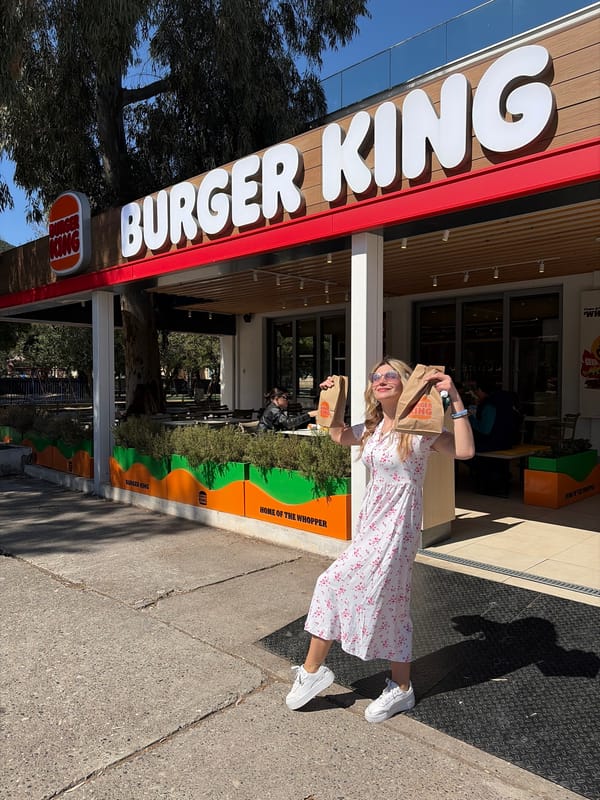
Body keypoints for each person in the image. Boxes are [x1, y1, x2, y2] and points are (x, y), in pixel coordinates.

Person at [285, 358, 475, 722]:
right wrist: (331, 398)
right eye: (376, 377)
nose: (382, 380)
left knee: (331, 582)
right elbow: (339, 435)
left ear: (406, 384)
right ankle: (402, 689)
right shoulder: (373, 427)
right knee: (393, 601)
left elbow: (465, 451)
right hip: (371, 521)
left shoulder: (421, 428)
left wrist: (453, 397)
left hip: (398, 525)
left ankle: (313, 671)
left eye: (391, 375)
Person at [469, 377, 523, 452]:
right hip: (508, 442)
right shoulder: (505, 400)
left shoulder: (490, 405)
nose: (475, 393)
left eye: (476, 390)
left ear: (480, 390)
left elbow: (485, 430)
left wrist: (469, 417)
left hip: (492, 445)